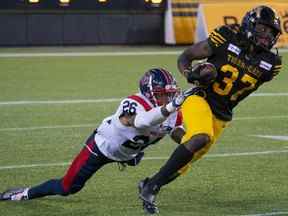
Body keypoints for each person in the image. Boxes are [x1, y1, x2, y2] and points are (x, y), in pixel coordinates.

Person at [138, 5, 282, 214]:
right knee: (200, 137)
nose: (266, 36)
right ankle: (151, 189)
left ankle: (149, 182)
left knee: (188, 159)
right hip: (200, 97)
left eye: (271, 32)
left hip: (222, 114)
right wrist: (191, 74)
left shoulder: (271, 64)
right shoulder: (225, 37)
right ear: (250, 24)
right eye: (263, 29)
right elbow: (185, 56)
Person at [0, 68, 191, 201]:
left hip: (128, 150)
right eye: (162, 94)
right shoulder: (134, 102)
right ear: (148, 93)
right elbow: (142, 121)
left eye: (171, 94)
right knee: (67, 188)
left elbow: (175, 130)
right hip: (101, 147)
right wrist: (171, 106)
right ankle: (24, 193)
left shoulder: (172, 111)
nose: (168, 98)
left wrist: (189, 141)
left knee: (141, 147)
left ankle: (131, 156)